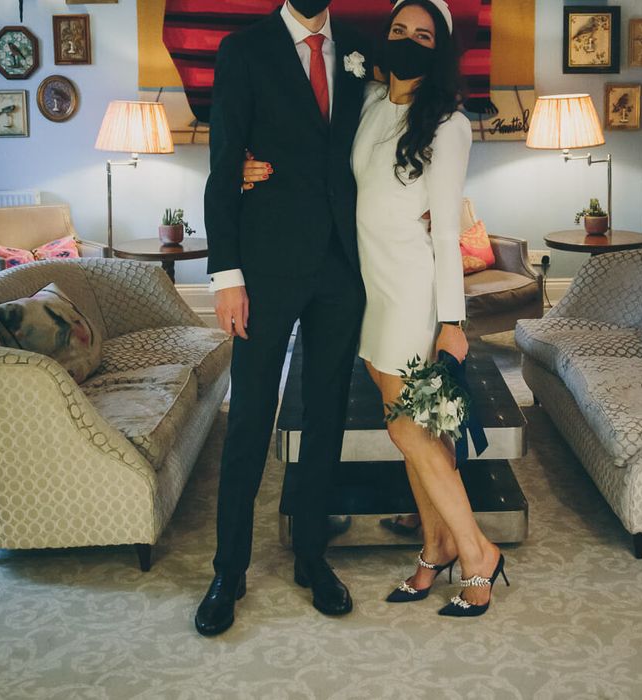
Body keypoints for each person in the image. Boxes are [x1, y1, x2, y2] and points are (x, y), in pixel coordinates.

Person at [245, 0, 508, 617]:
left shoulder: (448, 123)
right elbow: (313, 161)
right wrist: (244, 167)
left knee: (407, 430)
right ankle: (435, 544)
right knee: (417, 434)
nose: (409, 41)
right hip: (370, 289)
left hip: (413, 292)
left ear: (440, 49)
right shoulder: (365, 103)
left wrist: (452, 320)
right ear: (383, 38)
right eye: (400, 31)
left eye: (424, 35)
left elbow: (445, 230)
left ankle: (477, 553)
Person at [197, 0, 369, 637]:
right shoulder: (244, 51)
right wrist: (227, 277)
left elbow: (372, 143)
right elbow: (222, 168)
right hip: (264, 270)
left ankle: (312, 559)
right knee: (248, 421)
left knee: (328, 416)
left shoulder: (358, 49)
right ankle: (228, 570)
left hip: (341, 269)